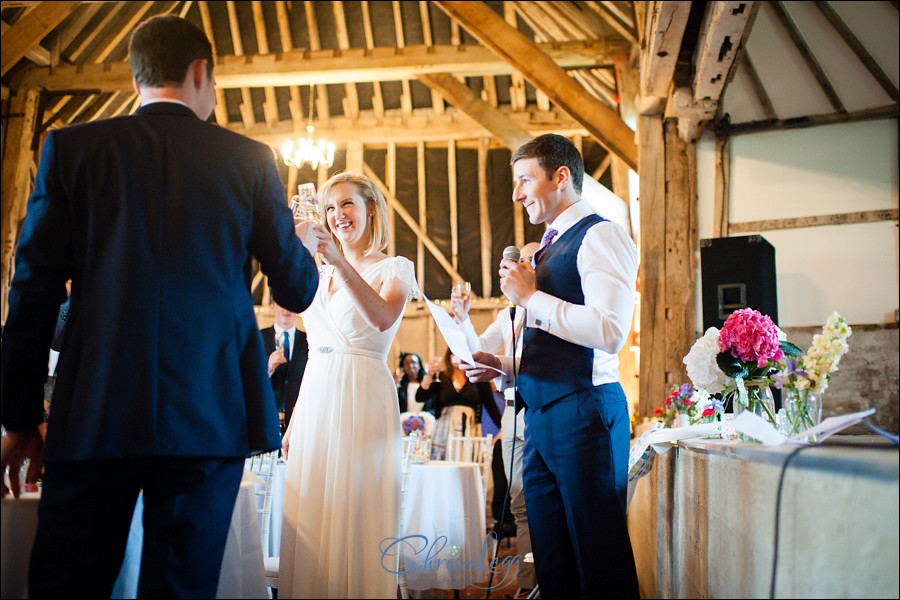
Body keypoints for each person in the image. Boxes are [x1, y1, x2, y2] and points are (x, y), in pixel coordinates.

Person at [0, 15, 319, 598]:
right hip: (206, 412)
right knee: (180, 587)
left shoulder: (71, 149)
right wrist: (302, 244)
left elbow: (33, 289)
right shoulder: (248, 160)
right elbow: (297, 290)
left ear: (136, 75)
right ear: (202, 72)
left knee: (67, 584)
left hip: (94, 410)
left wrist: (19, 417)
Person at [457, 134, 640, 598]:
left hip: (584, 414)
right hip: (537, 420)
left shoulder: (601, 234)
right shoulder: (543, 249)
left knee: (599, 562)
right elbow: (549, 343)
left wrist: (531, 297)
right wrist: (499, 364)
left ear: (561, 177)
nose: (516, 194)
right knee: (553, 562)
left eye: (525, 180)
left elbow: (609, 330)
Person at [279, 171, 418, 598]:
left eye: (347, 204)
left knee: (356, 511)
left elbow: (382, 316)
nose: (338, 216)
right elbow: (315, 350)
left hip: (363, 394)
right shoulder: (318, 276)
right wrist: (296, 419)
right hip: (316, 397)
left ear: (370, 208)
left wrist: (339, 261)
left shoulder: (395, 267)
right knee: (313, 514)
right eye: (330, 208)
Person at [450, 241, 540, 595]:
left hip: (540, 412)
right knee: (518, 505)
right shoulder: (508, 315)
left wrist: (500, 366)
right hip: (513, 415)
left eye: (531, 260)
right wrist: (461, 319)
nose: (521, 264)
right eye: (519, 260)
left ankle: (547, 581)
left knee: (542, 504)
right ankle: (528, 584)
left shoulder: (548, 309)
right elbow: (479, 351)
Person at [417, 348, 502, 460]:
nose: (457, 357)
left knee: (466, 460)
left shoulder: (478, 378)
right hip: (444, 430)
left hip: (469, 429)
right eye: (453, 353)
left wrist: (502, 429)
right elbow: (420, 397)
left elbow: (491, 406)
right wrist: (429, 375)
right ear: (449, 356)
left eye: (460, 353)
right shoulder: (441, 377)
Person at [261, 298, 309, 433]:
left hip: (300, 417)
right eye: (282, 303)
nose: (286, 309)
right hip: (269, 414)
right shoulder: (259, 337)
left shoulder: (309, 340)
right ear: (272, 307)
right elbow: (248, 379)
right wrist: (268, 368)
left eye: (291, 304)